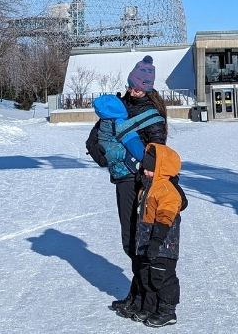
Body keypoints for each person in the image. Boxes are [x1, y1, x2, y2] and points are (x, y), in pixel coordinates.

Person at [85, 55, 168, 315]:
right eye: (132, 86)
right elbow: (96, 137)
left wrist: (145, 167)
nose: (133, 92)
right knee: (129, 239)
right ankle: (137, 293)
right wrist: (106, 157)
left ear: (149, 88)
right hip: (123, 181)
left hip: (142, 182)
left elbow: (158, 151)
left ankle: (145, 297)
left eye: (139, 88)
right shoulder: (118, 105)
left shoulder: (152, 116)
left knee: (139, 238)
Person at [132, 142, 183, 327]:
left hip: (164, 244)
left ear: (161, 169)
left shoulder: (167, 191)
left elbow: (165, 220)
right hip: (147, 242)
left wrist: (156, 242)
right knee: (147, 275)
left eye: (150, 169)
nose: (145, 172)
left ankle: (168, 311)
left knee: (163, 277)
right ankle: (151, 307)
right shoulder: (147, 187)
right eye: (144, 168)